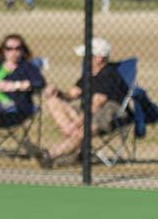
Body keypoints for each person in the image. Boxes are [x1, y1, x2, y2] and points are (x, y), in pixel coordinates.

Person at [31, 37, 128, 168]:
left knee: (82, 132)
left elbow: (97, 104)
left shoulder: (109, 75)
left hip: (106, 114)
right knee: (53, 101)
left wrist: (76, 124)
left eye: (87, 56)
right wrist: (57, 92)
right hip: (85, 112)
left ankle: (50, 154)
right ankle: (72, 145)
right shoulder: (89, 74)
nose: (84, 59)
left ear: (99, 58)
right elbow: (71, 94)